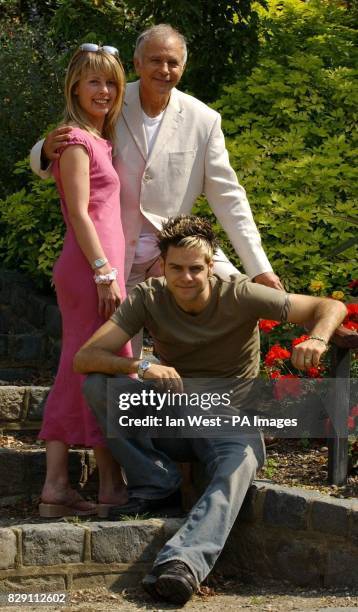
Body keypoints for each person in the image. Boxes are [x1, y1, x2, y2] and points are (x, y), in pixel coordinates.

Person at [73, 215, 347, 605]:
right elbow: (86, 358)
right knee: (98, 385)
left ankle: (182, 563)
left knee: (240, 464)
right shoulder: (149, 295)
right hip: (171, 412)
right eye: (177, 268)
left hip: (226, 417)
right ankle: (156, 481)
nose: (186, 277)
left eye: (196, 268)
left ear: (210, 265)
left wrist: (317, 338)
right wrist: (141, 365)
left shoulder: (241, 294)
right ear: (162, 266)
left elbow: (328, 305)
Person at [30, 25, 283, 355]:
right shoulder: (112, 99)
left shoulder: (204, 120)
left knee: (239, 301)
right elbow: (73, 137)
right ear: (137, 63)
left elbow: (230, 197)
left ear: (183, 67)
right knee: (119, 361)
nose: (164, 70)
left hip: (174, 249)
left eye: (173, 62)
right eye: (155, 60)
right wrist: (45, 150)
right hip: (115, 253)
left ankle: (216, 401)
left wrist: (260, 268)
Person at [38, 44, 132, 518]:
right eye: (94, 81)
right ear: (75, 85)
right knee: (97, 367)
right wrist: (103, 272)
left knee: (89, 369)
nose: (105, 90)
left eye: (112, 82)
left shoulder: (98, 138)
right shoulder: (75, 140)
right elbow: (78, 212)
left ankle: (65, 487)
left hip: (101, 268)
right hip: (89, 270)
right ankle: (107, 486)